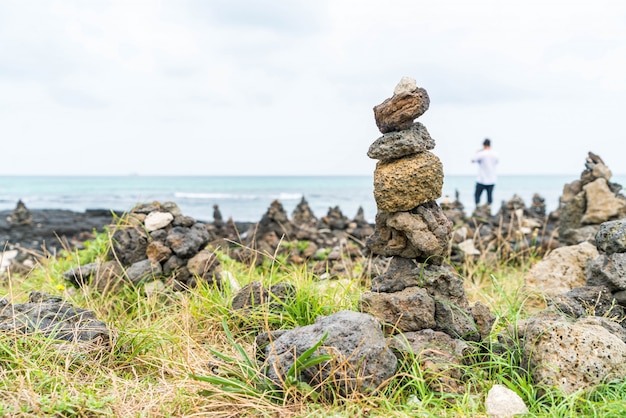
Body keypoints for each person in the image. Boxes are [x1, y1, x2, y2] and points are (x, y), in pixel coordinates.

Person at [471, 138, 499, 206]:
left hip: (481, 179)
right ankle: (488, 209)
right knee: (489, 197)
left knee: (477, 195)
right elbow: (497, 161)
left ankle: (478, 207)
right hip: (492, 179)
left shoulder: (481, 154)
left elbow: (473, 160)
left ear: (484, 145)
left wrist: (477, 152)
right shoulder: (495, 154)